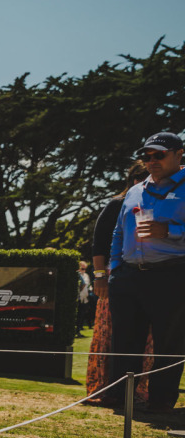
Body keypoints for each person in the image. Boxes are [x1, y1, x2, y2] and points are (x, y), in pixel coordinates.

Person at [107, 132, 185, 413]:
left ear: (179, 153)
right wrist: (114, 270)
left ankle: (159, 403)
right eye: (147, 156)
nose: (151, 161)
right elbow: (118, 232)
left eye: (159, 155)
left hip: (172, 276)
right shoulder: (135, 190)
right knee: (125, 341)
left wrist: (170, 231)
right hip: (128, 277)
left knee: (169, 344)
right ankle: (122, 400)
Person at [86, 160, 152, 405]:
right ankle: (107, 388)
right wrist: (100, 276)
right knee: (111, 334)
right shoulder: (117, 203)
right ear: (133, 179)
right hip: (116, 278)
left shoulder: (158, 204)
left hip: (147, 280)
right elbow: (99, 243)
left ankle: (139, 390)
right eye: (142, 177)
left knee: (145, 339)